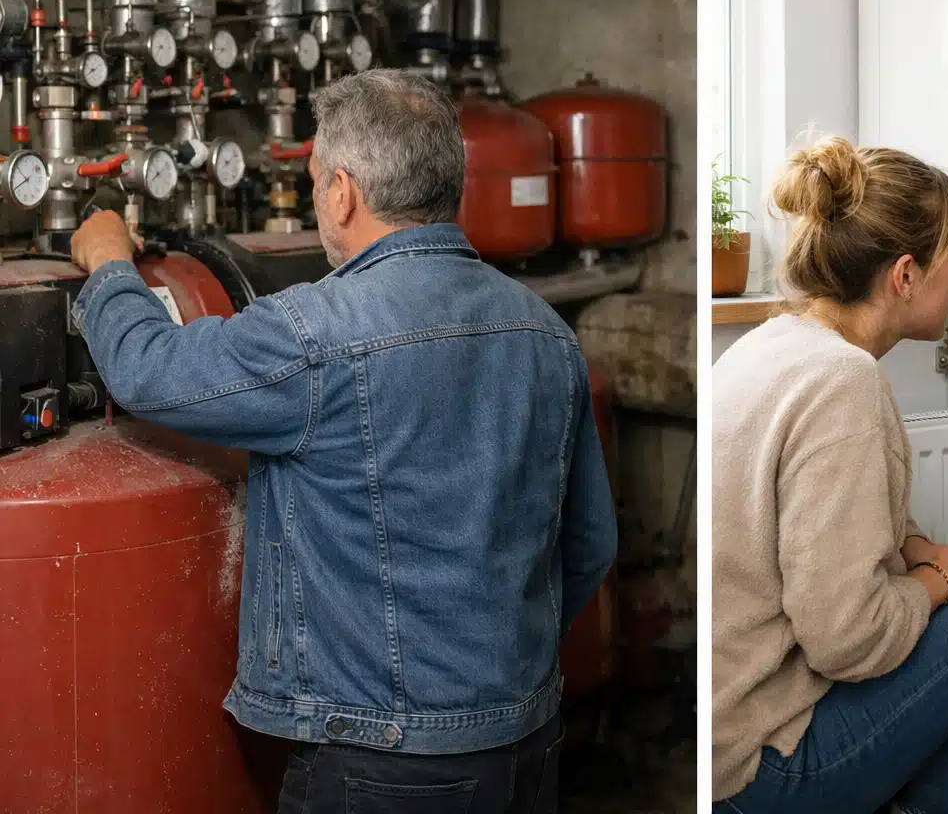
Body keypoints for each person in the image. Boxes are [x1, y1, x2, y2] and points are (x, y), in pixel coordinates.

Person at [69, 69, 616, 814]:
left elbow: (148, 369)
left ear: (341, 192)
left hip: (383, 763)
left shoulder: (316, 333)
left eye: (320, 174)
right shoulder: (545, 332)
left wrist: (106, 263)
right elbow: (588, 541)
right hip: (525, 738)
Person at [712, 136, 948, 814]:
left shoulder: (775, 345)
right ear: (905, 275)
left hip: (716, 739)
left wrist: (918, 549)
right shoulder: (840, 380)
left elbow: (825, 515)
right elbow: (848, 640)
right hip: (760, 769)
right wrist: (944, 579)